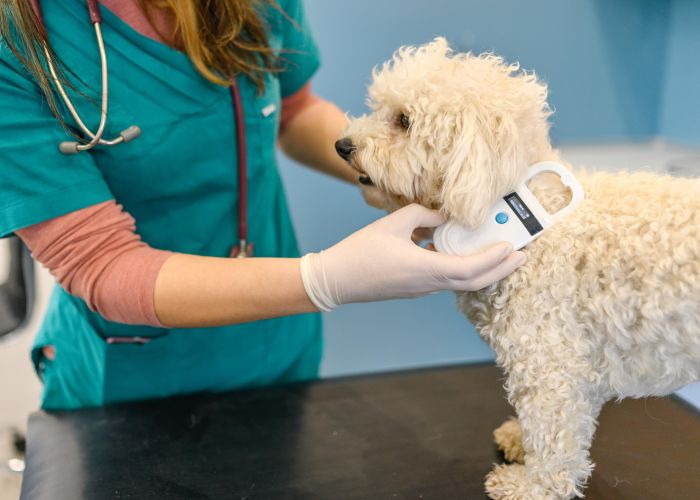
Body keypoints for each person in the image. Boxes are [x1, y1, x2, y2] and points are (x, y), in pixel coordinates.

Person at [0, 0, 526, 410]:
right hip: (133, 376)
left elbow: (293, 111)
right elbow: (101, 263)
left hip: (278, 348)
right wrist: (327, 279)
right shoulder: (20, 39)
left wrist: (401, 168)